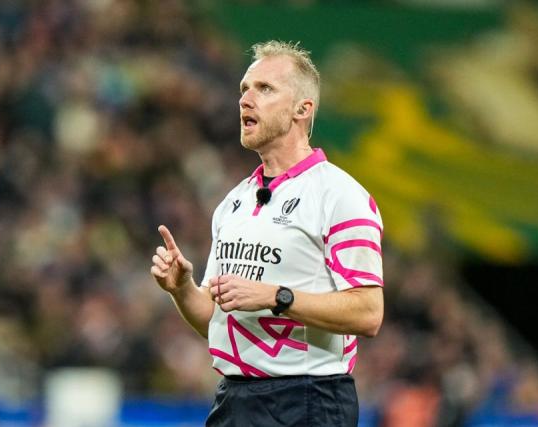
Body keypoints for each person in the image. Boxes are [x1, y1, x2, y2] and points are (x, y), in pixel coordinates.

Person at [150, 40, 384, 426]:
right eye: (244, 89)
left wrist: (277, 296)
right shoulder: (232, 204)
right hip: (234, 398)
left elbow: (369, 312)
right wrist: (182, 290)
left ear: (302, 109)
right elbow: (214, 319)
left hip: (309, 400)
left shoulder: (340, 195)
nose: (245, 99)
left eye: (264, 89)